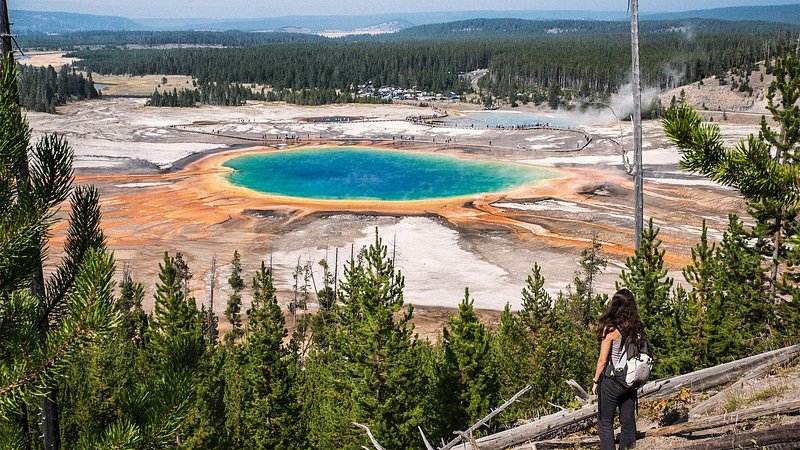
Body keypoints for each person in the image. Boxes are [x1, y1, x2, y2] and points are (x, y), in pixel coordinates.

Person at [592, 288, 645, 449]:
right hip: (630, 379)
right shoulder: (637, 326)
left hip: (612, 380)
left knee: (605, 422)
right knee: (628, 420)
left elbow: (602, 360)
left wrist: (595, 381)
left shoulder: (611, 329)